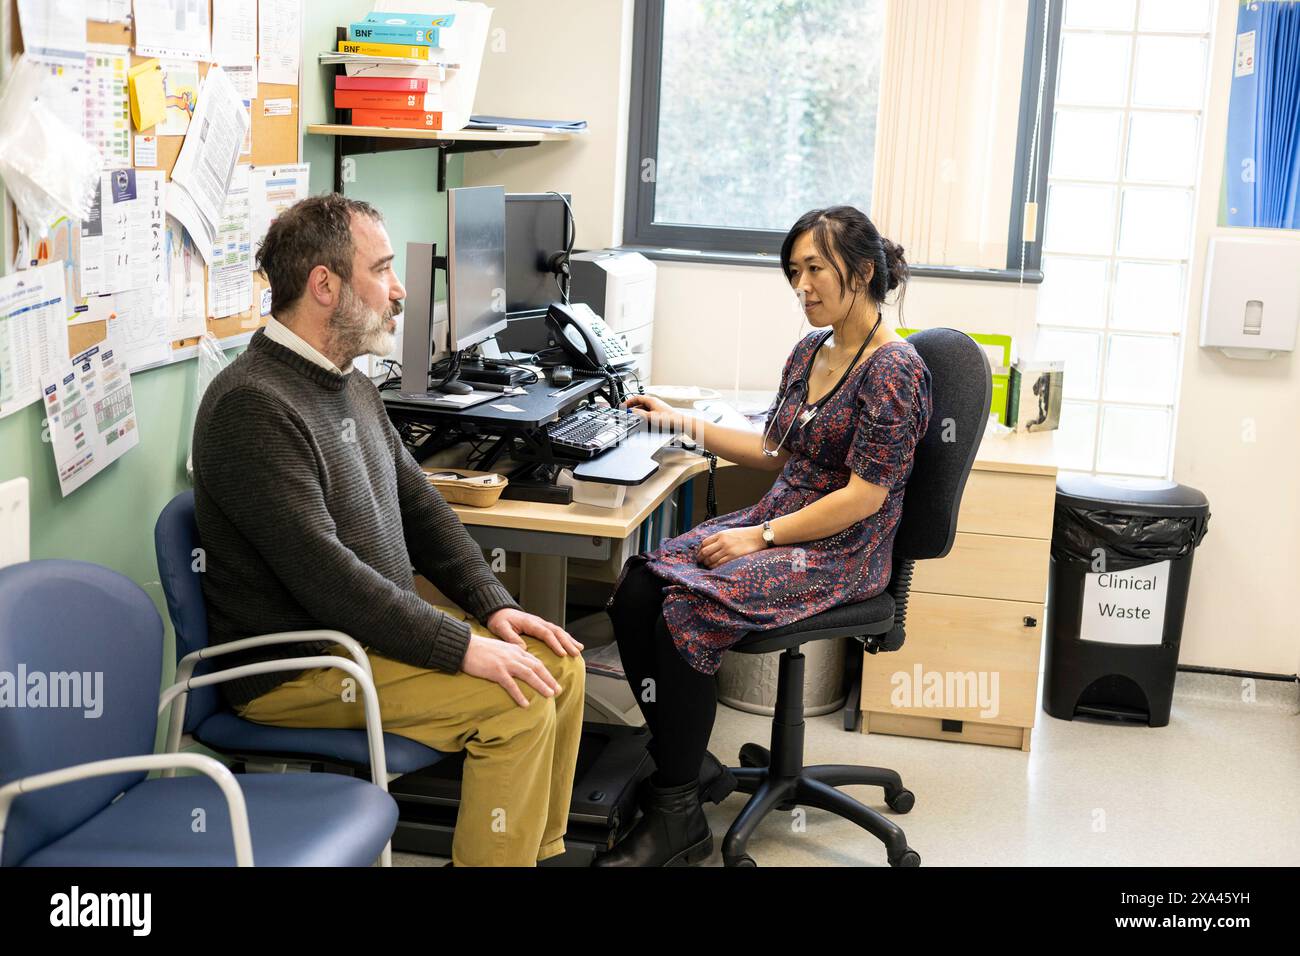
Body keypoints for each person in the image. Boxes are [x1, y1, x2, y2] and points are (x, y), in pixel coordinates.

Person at [192, 193, 585, 867]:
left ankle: (528, 855)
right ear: (325, 285)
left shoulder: (347, 383)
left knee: (563, 665)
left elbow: (421, 506)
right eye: (381, 269)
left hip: (362, 635)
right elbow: (327, 578)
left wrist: (497, 607)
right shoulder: (252, 405)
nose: (399, 290)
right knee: (516, 702)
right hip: (302, 665)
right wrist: (459, 645)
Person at [598, 206, 933, 867]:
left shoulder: (896, 370)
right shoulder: (811, 349)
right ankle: (691, 770)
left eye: (814, 270)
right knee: (638, 586)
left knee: (686, 607)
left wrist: (762, 538)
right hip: (779, 522)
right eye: (793, 272)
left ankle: (675, 815)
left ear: (862, 272)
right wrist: (679, 422)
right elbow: (772, 449)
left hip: (843, 549)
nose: (801, 287)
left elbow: (864, 496)